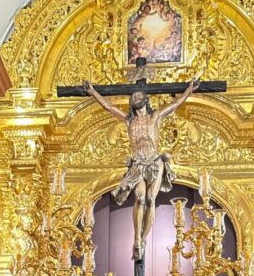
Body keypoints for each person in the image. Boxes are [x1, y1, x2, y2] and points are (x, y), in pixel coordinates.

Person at [82, 78, 199, 261]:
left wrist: (189, 90)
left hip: (154, 162)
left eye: (138, 95)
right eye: (133, 96)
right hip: (137, 164)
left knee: (151, 197)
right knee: (140, 197)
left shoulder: (155, 117)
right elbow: (109, 107)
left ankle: (143, 240)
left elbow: (175, 104)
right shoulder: (129, 121)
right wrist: (93, 92)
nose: (135, 97)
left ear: (146, 98)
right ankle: (137, 239)